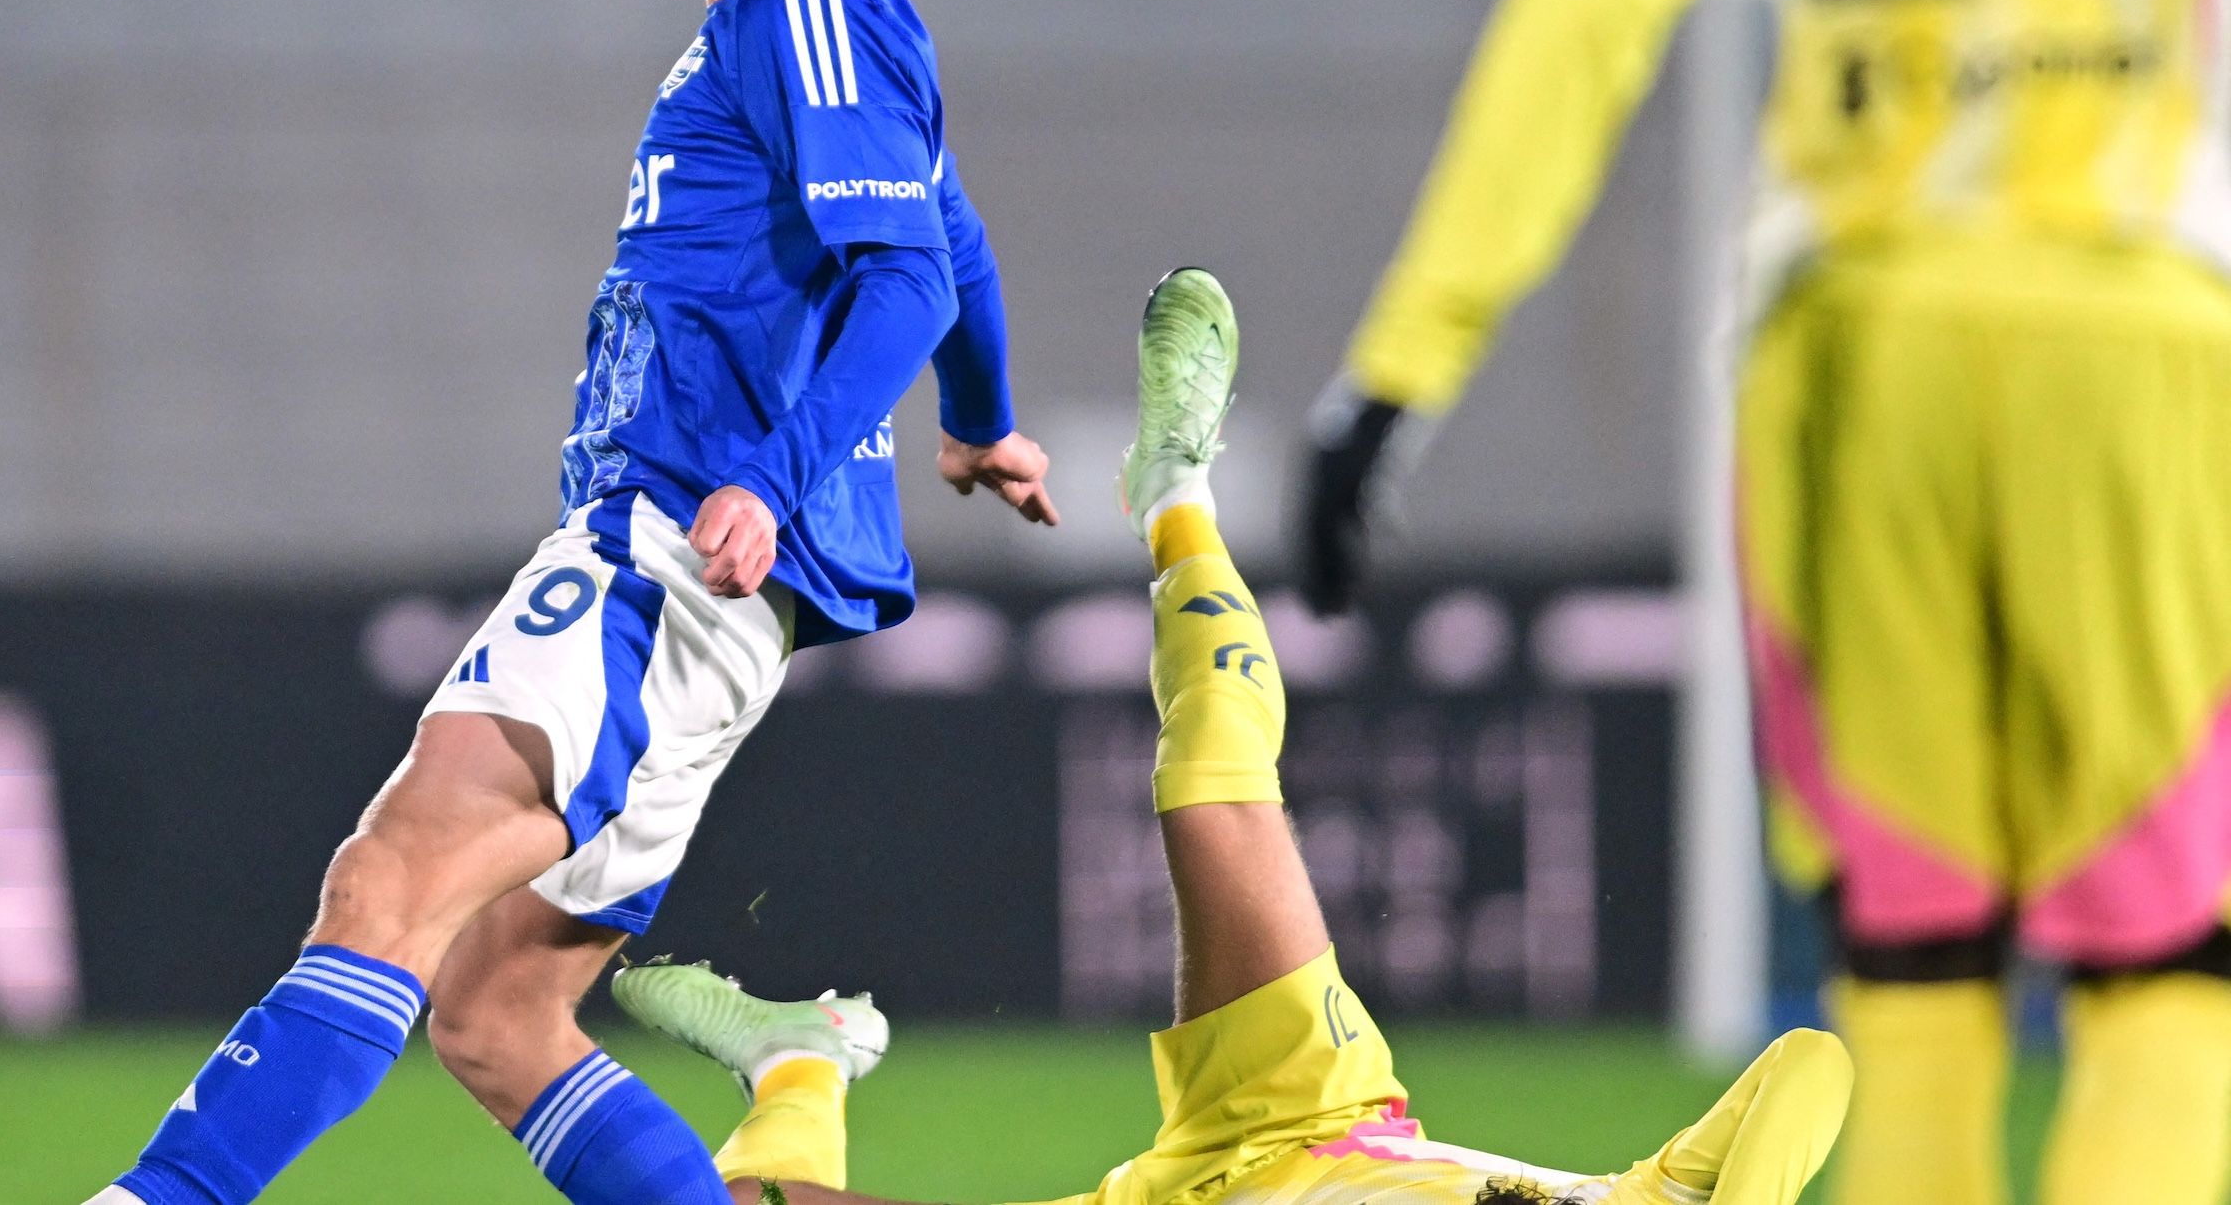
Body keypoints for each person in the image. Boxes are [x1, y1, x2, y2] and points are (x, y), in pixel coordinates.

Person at [90, 0, 1057, 1204]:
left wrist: (773, 471)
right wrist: (981, 424)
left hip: (667, 557)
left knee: (388, 885)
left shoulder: (803, 12)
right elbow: (954, 240)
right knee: (496, 1015)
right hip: (712, 601)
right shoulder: (810, 44)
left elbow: (912, 275)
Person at [1292, 0, 2231, 1200]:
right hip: (2137, 338)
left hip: (1849, 352)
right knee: (2173, 982)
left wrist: (1408, 357)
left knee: (1911, 984)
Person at [618, 269, 1854, 1205]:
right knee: (1212, 783)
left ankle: (799, 1062)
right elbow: (1815, 1066)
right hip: (1309, 1110)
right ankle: (1175, 496)